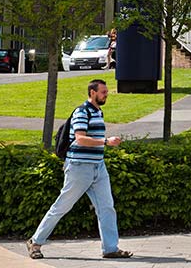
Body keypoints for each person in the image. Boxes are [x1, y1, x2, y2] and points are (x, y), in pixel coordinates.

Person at [27, 79, 132, 260]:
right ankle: (35, 242)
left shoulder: (98, 112)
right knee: (62, 206)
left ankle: (110, 248)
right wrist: (106, 142)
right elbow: (80, 138)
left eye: (106, 92)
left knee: (107, 208)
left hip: (98, 167)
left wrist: (103, 144)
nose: (106, 95)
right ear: (92, 92)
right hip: (79, 167)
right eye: (103, 92)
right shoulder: (82, 112)